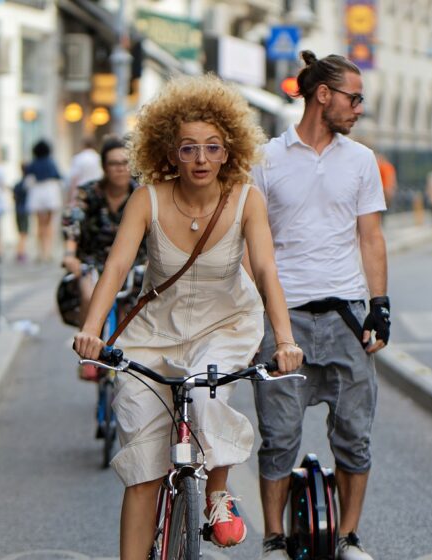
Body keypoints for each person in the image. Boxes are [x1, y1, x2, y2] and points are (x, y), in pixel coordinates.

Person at [72, 74, 303, 558]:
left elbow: (265, 270)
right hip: (153, 333)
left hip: (225, 325)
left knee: (203, 393)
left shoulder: (246, 199)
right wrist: (91, 331)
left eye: (212, 147)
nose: (201, 159)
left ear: (228, 151)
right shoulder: (148, 198)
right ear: (169, 152)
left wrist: (284, 339)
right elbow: (116, 267)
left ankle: (216, 493)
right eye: (189, 148)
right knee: (144, 467)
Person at [251, 51, 389, 560]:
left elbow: (371, 238)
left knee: (355, 435)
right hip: (284, 319)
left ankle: (349, 537)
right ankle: (273, 540)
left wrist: (380, 306)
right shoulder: (265, 158)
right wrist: (255, 310)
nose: (359, 108)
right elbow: (252, 245)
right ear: (323, 95)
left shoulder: (361, 160)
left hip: (345, 317)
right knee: (279, 436)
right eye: (354, 98)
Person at [62, 136, 146, 381]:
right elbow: (73, 222)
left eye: (125, 163)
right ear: (104, 167)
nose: (120, 168)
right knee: (89, 292)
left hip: (135, 262)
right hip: (94, 259)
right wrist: (70, 254)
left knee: (135, 306)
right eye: (113, 163)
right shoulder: (88, 192)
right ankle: (87, 348)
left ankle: (128, 356)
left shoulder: (141, 193)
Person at [25, 140, 63, 262]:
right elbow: (59, 176)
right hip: (50, 193)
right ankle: (48, 251)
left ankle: (40, 251)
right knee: (49, 224)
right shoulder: (51, 162)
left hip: (37, 194)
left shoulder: (33, 163)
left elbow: (28, 178)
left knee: (39, 224)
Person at [67, 137, 103, 203]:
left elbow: (74, 179)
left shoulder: (78, 158)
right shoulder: (98, 158)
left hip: (81, 193)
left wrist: (70, 198)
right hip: (95, 192)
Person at [13, 163, 30, 262]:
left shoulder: (17, 184)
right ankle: (21, 252)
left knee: (20, 232)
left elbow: (14, 197)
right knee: (23, 233)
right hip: (24, 210)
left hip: (18, 209)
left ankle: (20, 251)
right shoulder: (27, 184)